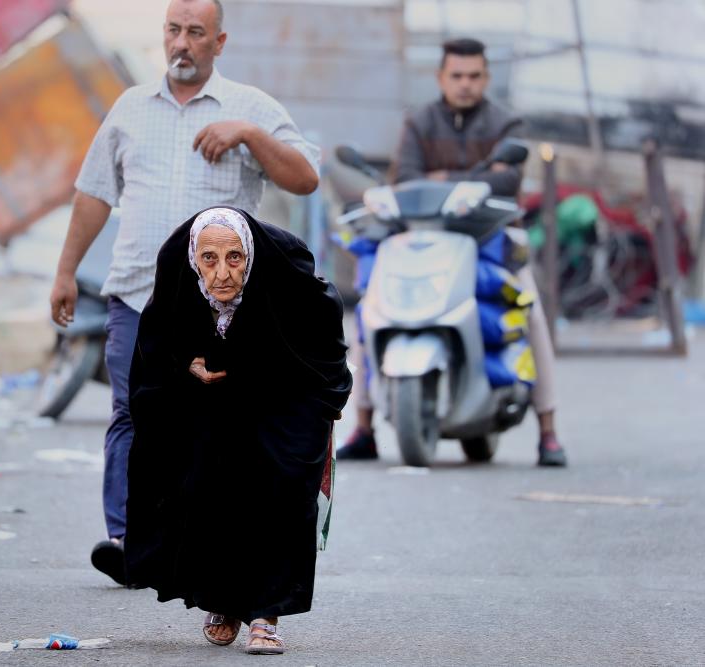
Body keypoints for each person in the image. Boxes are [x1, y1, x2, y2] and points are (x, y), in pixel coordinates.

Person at [48, 0, 321, 586]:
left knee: (216, 424)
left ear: (219, 43)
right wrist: (66, 271)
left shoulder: (249, 108)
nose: (183, 43)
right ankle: (125, 541)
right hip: (136, 297)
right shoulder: (129, 110)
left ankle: (205, 544)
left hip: (217, 309)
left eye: (197, 33)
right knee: (131, 413)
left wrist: (248, 135)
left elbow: (304, 177)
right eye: (174, 30)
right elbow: (96, 193)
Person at [124, 206, 352, 655]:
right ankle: (223, 601)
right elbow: (157, 338)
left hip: (287, 391)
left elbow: (325, 342)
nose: (222, 274)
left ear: (250, 255)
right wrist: (185, 359)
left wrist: (324, 406)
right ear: (194, 259)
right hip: (216, 396)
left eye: (235, 258)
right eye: (209, 259)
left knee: (283, 491)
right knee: (212, 488)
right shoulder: (175, 266)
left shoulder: (287, 269)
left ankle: (266, 614)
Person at [337, 37, 568, 467]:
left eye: (474, 76)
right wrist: (463, 179)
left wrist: (437, 176)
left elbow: (507, 182)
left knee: (530, 314)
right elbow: (403, 175)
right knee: (371, 311)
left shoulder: (505, 123)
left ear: (486, 78)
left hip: (493, 240)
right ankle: (364, 426)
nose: (465, 84)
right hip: (421, 235)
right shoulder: (420, 121)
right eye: (457, 76)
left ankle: (548, 431)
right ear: (441, 78)